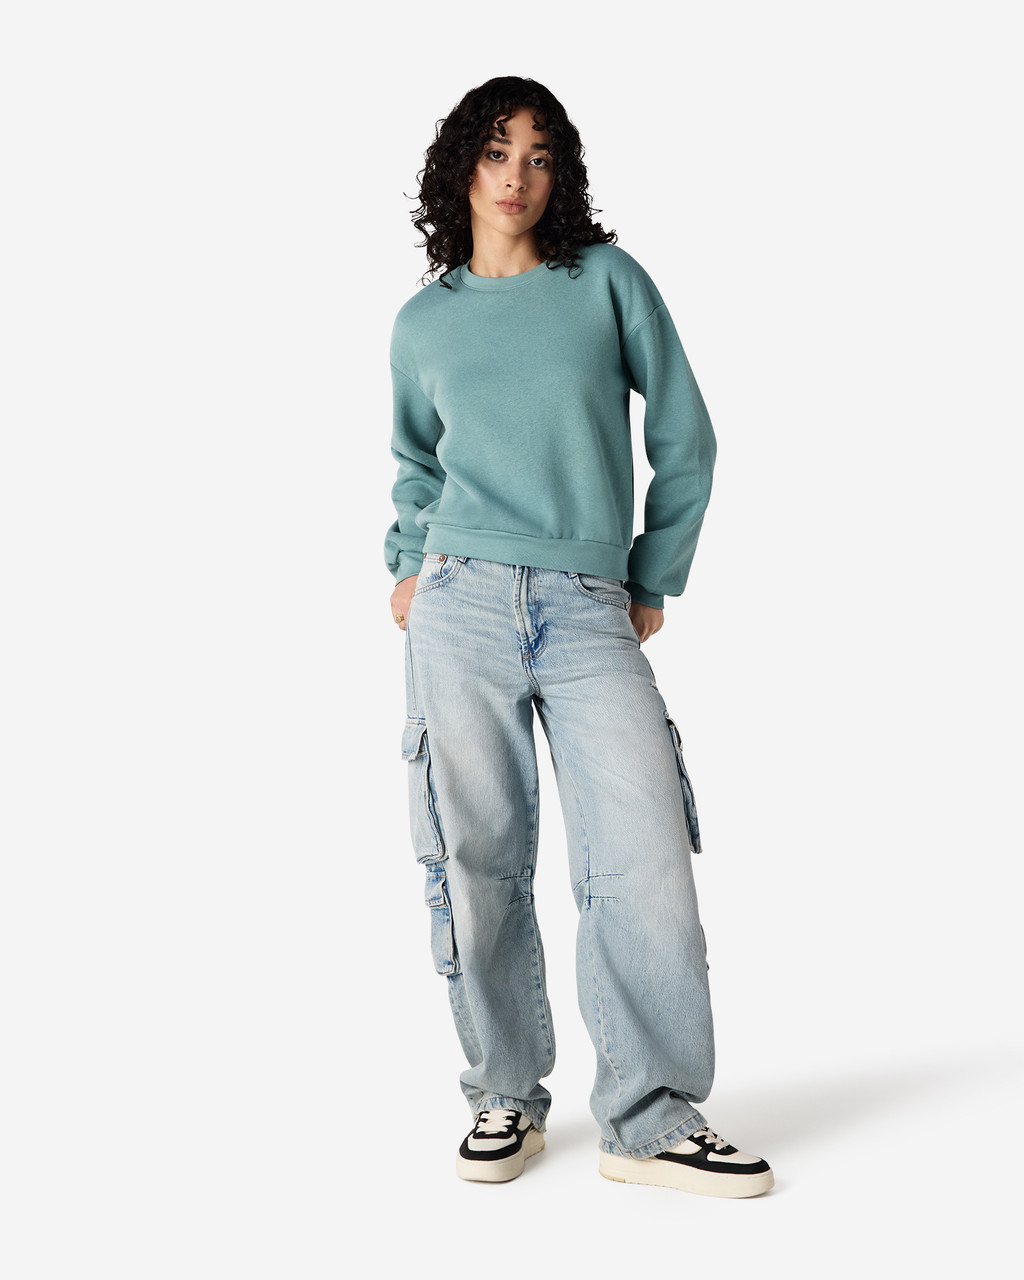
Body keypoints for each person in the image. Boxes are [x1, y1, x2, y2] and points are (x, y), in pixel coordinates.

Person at [384, 75, 774, 1198]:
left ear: (561, 175)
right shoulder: (421, 323)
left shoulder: (605, 281)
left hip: (587, 603)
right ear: (461, 167)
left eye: (540, 156)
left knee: (642, 854)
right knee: (475, 858)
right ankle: (505, 1090)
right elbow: (414, 461)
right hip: (459, 602)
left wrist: (655, 569)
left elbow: (687, 433)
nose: (517, 176)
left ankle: (649, 1116)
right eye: (497, 152)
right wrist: (408, 564)